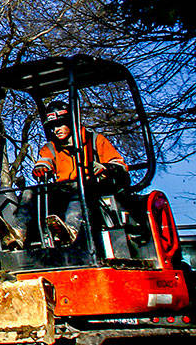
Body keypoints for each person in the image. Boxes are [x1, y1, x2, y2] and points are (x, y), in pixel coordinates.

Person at [31, 100, 127, 243]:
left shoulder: (94, 140)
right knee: (30, 193)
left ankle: (70, 230)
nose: (57, 129)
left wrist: (105, 168)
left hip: (92, 194)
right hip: (62, 192)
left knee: (79, 187)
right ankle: (19, 233)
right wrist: (41, 168)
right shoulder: (50, 148)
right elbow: (45, 160)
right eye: (53, 126)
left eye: (60, 124)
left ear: (71, 122)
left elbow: (119, 165)